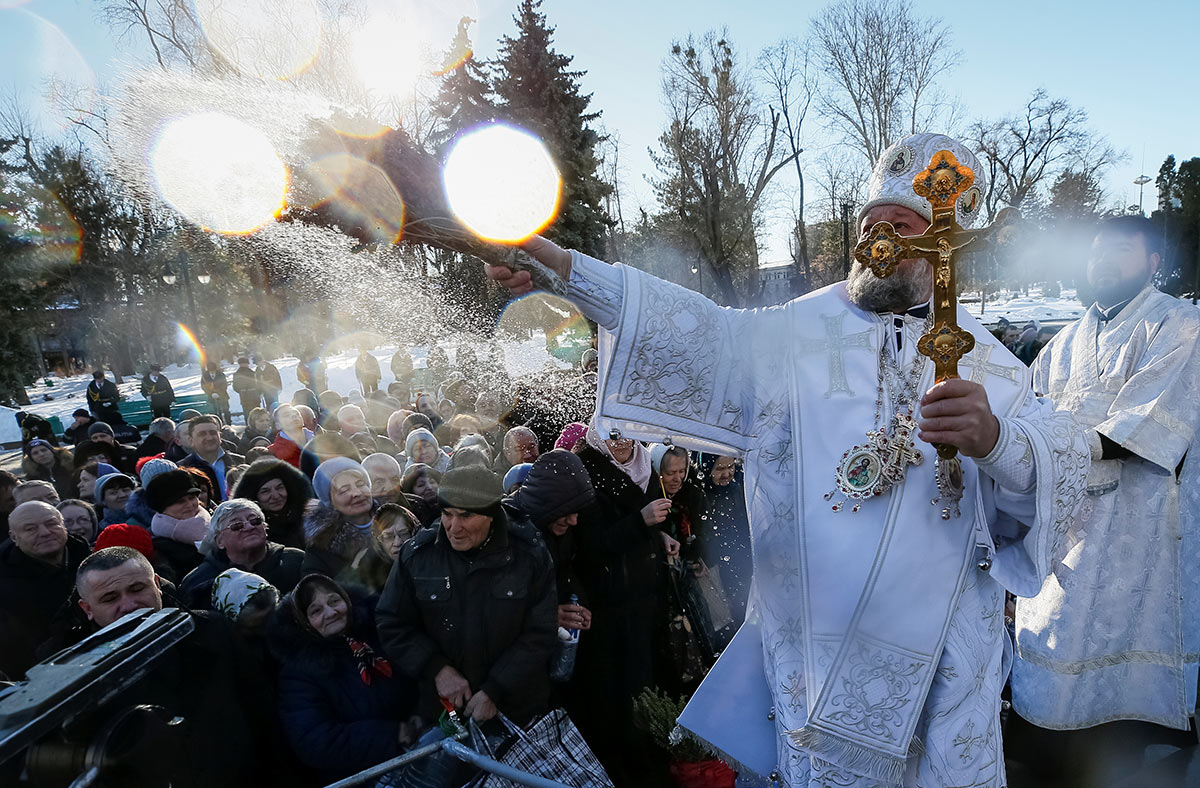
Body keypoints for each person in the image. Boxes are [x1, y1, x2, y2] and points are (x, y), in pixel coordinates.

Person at [486, 132, 1091, 787]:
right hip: (819, 657)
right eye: (871, 223)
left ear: (943, 245)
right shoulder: (795, 334)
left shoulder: (995, 368)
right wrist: (568, 272)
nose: (878, 239)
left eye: (901, 224)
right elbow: (692, 332)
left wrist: (996, 439)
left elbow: (1069, 470)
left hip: (947, 676)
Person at [1009, 214, 1200, 787]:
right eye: (1095, 250)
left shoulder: (1180, 324)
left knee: (1125, 707)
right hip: (1064, 530)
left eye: (1119, 249)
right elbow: (1027, 415)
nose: (1102, 259)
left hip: (1138, 536)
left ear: (1152, 262)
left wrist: (1035, 446)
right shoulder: (1064, 343)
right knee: (1049, 689)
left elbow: (1145, 431)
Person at [73, 547, 280, 788]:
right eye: (110, 598)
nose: (129, 605)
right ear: (87, 609)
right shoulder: (78, 675)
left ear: (157, 584)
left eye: (137, 588)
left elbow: (264, 713)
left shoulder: (214, 631)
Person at [376, 465, 557, 727]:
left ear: (491, 515)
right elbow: (391, 621)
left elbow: (541, 631)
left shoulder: (528, 554)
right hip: (446, 711)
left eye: (466, 516)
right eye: (447, 514)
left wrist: (496, 688)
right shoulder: (418, 555)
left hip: (517, 708)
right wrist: (436, 668)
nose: (453, 527)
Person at [268, 574, 420, 780]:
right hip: (367, 775)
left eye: (334, 601)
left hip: (419, 750)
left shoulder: (376, 631)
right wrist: (391, 735)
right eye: (316, 611)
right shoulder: (299, 672)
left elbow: (416, 673)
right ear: (303, 622)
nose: (331, 613)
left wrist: (421, 714)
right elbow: (314, 740)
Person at [508, 449, 596, 635]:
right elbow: (491, 608)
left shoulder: (556, 528)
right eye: (566, 512)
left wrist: (579, 605)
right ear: (545, 503)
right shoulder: (507, 533)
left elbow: (564, 573)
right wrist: (547, 616)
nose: (574, 521)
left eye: (577, 512)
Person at [0, 501, 89, 679]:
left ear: (63, 525)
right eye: (30, 529)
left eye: (51, 523)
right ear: (14, 537)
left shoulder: (91, 559)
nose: (45, 532)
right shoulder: (5, 588)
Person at [179, 499, 305, 610]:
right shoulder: (199, 582)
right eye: (237, 525)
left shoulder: (296, 561)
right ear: (219, 541)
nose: (249, 527)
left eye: (255, 521)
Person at [301, 457, 381, 587]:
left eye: (361, 484)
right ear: (330, 502)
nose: (356, 493)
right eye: (344, 490)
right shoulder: (321, 546)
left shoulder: (396, 519)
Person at [698, 454, 751, 623]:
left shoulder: (740, 486)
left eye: (731, 467)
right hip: (714, 567)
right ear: (707, 468)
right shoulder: (700, 494)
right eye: (720, 469)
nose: (727, 473)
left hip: (742, 561)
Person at [233, 457, 313, 549]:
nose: (275, 496)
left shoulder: (309, 521)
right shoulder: (250, 533)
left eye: (279, 488)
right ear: (254, 498)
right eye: (265, 491)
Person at [145, 469, 209, 582]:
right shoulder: (157, 546)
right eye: (180, 501)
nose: (189, 505)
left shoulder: (215, 521)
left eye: (192, 497)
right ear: (162, 508)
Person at [180, 415, 245, 501]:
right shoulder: (183, 468)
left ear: (220, 436)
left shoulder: (239, 461)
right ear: (191, 440)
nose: (209, 438)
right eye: (202, 434)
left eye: (213, 433)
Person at [269, 404, 312, 469]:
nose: (294, 415)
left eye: (296, 413)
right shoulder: (272, 452)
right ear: (278, 425)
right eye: (286, 415)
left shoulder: (320, 441)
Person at [398, 462, 441, 527]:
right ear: (410, 491)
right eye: (421, 485)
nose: (429, 487)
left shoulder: (448, 507)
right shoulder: (405, 517)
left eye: (432, 482)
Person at [230, 357, 260, 422]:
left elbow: (235, 387)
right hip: (253, 395)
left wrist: (241, 391)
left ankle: (250, 425)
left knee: (249, 413)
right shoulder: (252, 373)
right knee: (255, 413)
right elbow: (258, 385)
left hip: (245, 396)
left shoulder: (237, 374)